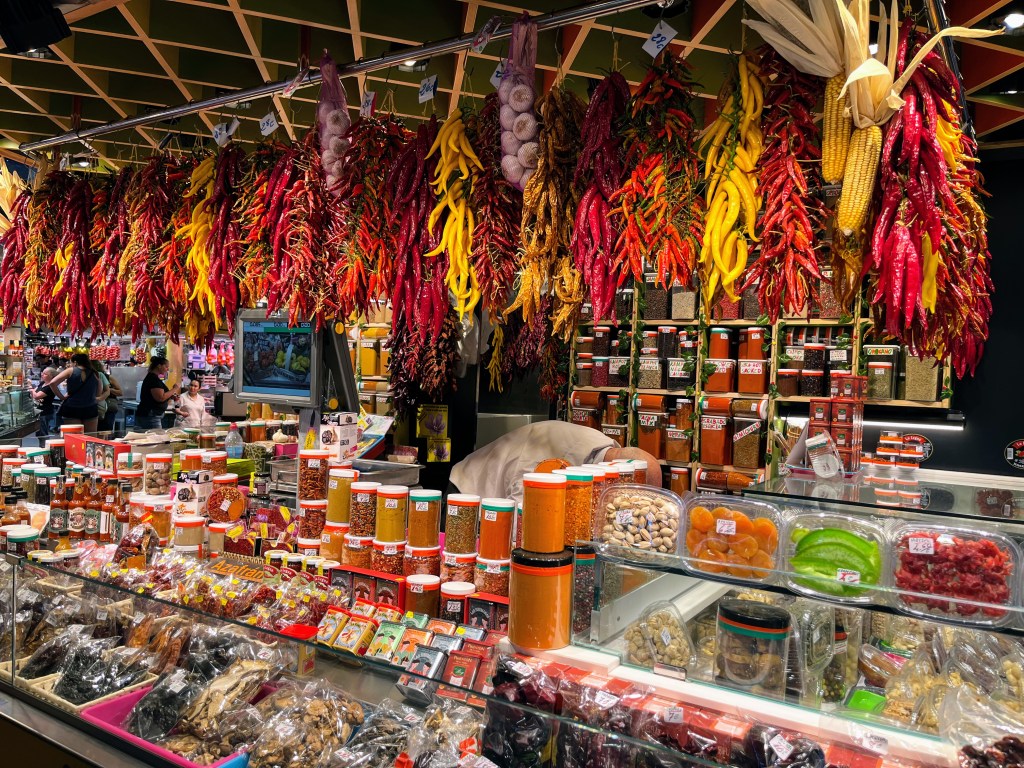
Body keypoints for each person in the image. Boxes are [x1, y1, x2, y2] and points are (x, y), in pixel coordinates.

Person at [448, 421, 663, 504]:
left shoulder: (608, 452)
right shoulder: (550, 461)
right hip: (467, 492)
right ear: (622, 479)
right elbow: (523, 516)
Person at [47, 353, 102, 433]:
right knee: (90, 436)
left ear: (75, 362)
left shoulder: (70, 371)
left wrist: (61, 397)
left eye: (70, 362)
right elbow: (99, 393)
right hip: (90, 408)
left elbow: (52, 383)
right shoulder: (95, 373)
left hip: (72, 407)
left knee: (73, 437)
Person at [135, 356, 180, 430]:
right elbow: (160, 398)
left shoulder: (154, 378)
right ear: (159, 366)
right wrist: (174, 389)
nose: (167, 369)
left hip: (151, 415)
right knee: (155, 436)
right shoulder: (153, 379)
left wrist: (170, 395)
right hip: (151, 416)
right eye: (166, 366)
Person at [32, 366, 62, 437]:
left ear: (51, 376)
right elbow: (34, 393)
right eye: (42, 373)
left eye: (45, 374)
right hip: (38, 411)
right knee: (39, 432)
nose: (42, 374)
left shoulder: (50, 387)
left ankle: (45, 443)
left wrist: (31, 389)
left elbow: (36, 396)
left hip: (45, 411)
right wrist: (33, 391)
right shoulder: (42, 383)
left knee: (43, 433)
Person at [89, 360, 113, 431]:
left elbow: (107, 391)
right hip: (91, 405)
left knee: (99, 428)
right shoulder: (84, 373)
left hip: (97, 406)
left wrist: (99, 398)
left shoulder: (99, 375)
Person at [102, 367, 124, 432]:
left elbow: (120, 392)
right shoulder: (90, 377)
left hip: (108, 406)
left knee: (107, 429)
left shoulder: (108, 377)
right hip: (96, 407)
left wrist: (108, 389)